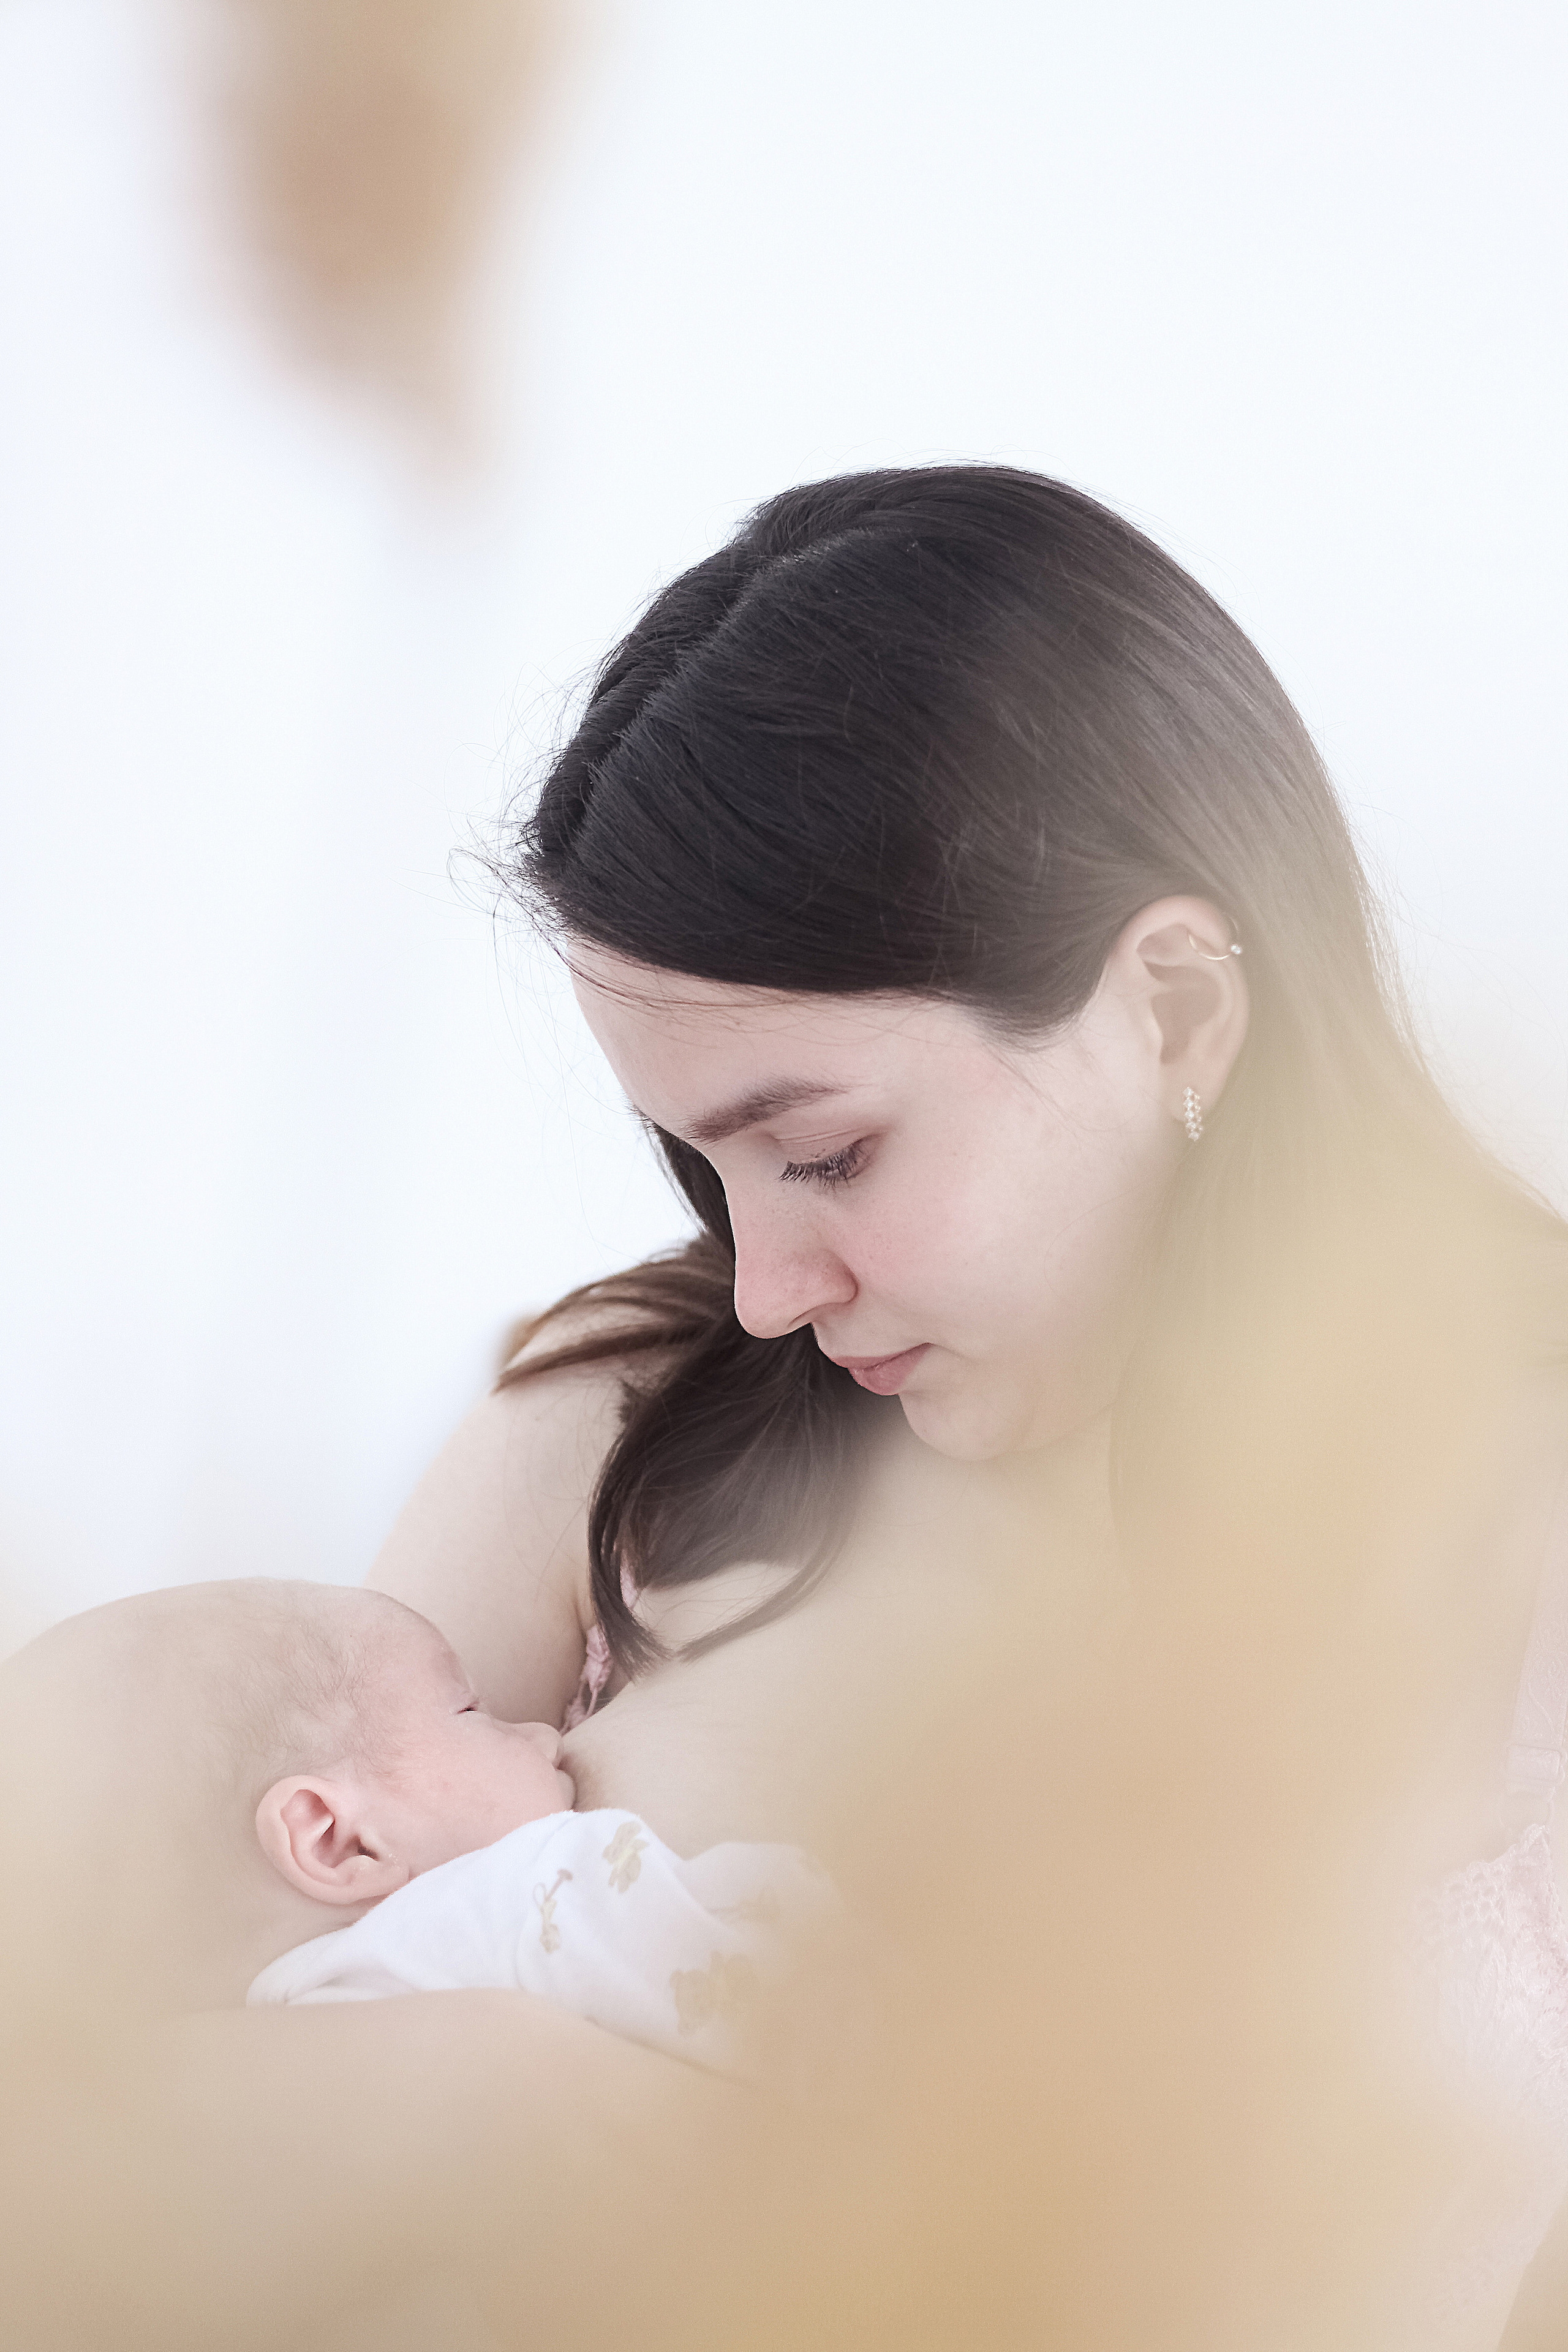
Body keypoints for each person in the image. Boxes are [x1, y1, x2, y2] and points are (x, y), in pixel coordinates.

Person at [7, 464, 1566, 2349]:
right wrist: (490, 2097)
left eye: (825, 1154)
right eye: (701, 1167)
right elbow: (89, 2115)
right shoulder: (624, 1433)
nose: (761, 1289)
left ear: (1172, 1010)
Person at [0, 1578, 839, 2081]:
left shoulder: (263, 2078)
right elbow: (823, 1995)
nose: (546, 1735)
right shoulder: (519, 1909)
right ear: (336, 1840)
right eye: (469, 1710)